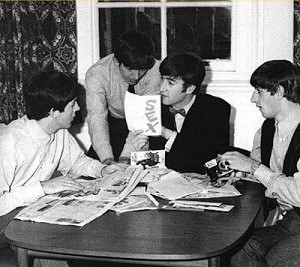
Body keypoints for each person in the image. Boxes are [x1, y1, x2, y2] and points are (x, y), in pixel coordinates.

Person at [0, 71, 125, 232]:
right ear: (53, 112)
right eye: (73, 104)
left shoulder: (58, 131)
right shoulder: (9, 142)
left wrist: (101, 170)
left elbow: (77, 162)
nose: (78, 108)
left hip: (32, 215)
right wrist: (42, 188)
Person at [220, 60, 300, 266]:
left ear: (280, 92)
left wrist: (253, 167)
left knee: (278, 260)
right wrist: (239, 172)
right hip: (291, 219)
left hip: (295, 212)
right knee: (240, 251)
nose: (253, 99)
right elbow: (265, 171)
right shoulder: (267, 128)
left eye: (259, 91)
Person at [85, 30, 161, 165]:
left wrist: (126, 158)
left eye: (142, 69)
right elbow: (97, 117)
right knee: (97, 169)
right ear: (116, 61)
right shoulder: (97, 73)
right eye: (130, 69)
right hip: (115, 124)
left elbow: (143, 118)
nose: (136, 76)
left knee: (149, 170)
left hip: (148, 124)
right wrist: (107, 159)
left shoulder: (156, 71)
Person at [150, 52, 231, 174]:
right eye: (162, 79)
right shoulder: (152, 108)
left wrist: (168, 134)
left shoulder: (216, 109)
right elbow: (154, 160)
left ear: (190, 88)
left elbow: (209, 160)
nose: (162, 88)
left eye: (170, 83)